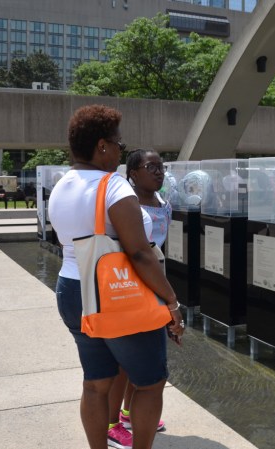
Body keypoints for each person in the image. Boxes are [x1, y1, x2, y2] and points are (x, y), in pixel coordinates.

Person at [47, 104, 184, 449]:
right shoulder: (114, 187)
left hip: (71, 289)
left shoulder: (62, 186)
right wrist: (171, 300)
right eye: (120, 146)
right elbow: (139, 253)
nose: (121, 152)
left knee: (96, 382)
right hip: (114, 295)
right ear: (103, 146)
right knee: (150, 382)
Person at [108, 149, 173, 438]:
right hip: (127, 285)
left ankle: (129, 412)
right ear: (133, 173)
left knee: (144, 357)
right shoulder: (126, 203)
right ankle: (112, 424)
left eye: (161, 167)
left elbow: (158, 248)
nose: (159, 172)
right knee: (125, 360)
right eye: (151, 167)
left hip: (152, 283)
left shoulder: (164, 203)